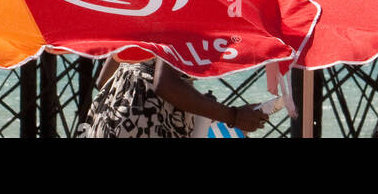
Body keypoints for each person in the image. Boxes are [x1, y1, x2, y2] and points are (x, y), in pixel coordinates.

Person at [85, 55, 269, 139]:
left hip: (107, 118)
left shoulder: (146, 9)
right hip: (146, 126)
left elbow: (103, 81)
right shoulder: (185, 11)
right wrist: (232, 116)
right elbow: (165, 84)